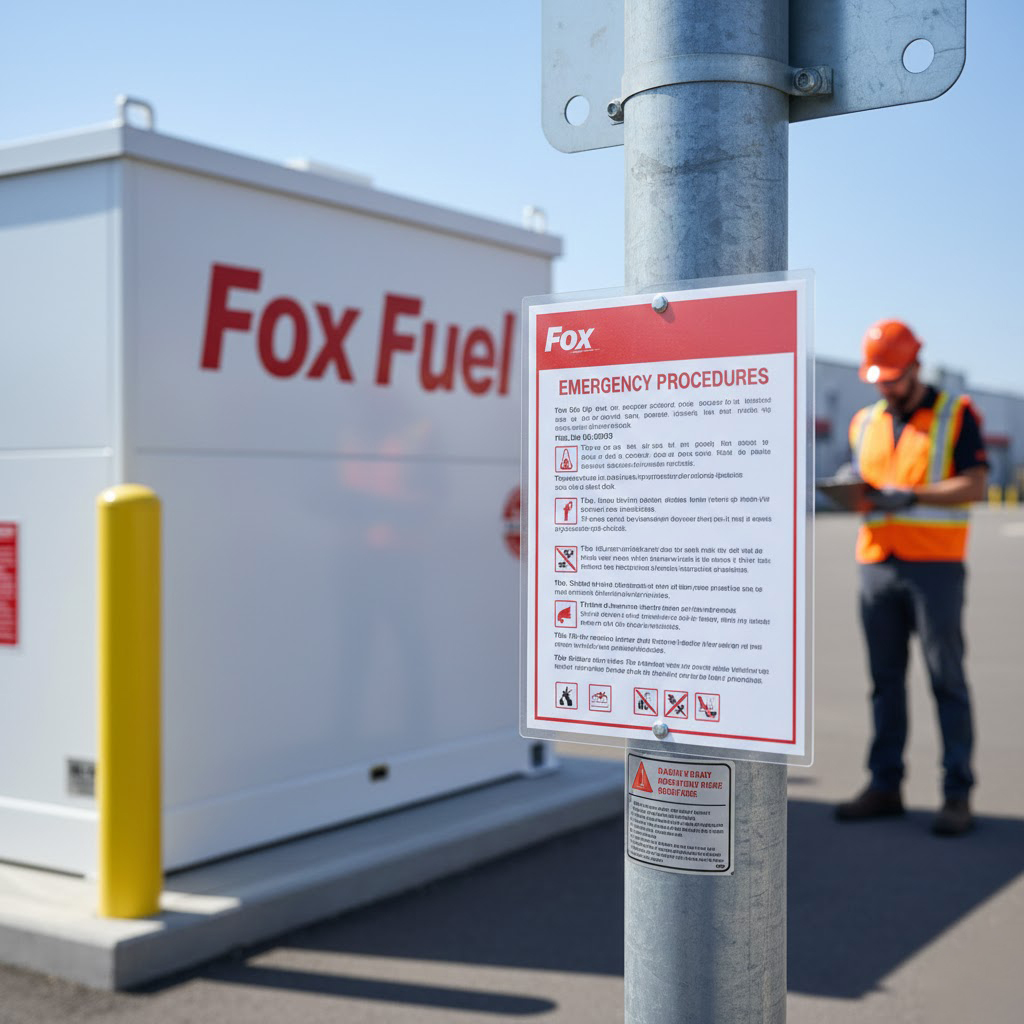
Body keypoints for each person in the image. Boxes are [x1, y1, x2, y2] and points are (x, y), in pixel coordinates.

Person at [835, 319, 988, 836]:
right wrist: (850, 490)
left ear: (916, 367)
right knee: (884, 683)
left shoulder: (956, 414)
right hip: (877, 562)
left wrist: (913, 495)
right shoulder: (864, 421)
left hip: (935, 566)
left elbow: (975, 485)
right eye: (878, 378)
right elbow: (865, 481)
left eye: (894, 377)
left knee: (945, 679)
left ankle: (957, 793)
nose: (886, 386)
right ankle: (884, 786)